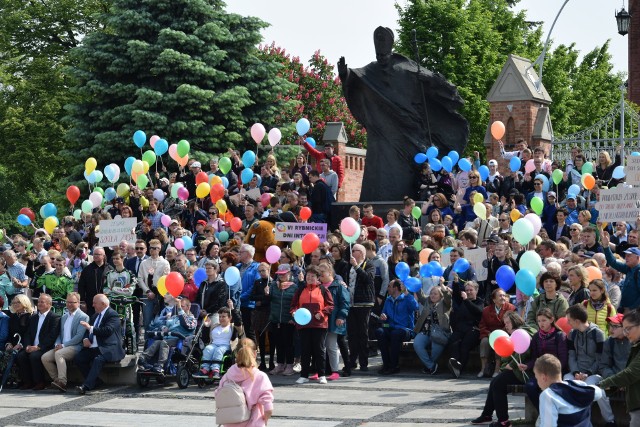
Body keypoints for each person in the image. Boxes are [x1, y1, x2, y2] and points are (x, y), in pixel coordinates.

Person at [338, 26, 468, 201]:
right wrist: (345, 75)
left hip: (409, 130)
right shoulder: (371, 70)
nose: (380, 51)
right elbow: (357, 79)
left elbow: (441, 85)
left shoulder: (405, 66)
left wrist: (429, 80)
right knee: (380, 168)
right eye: (378, 48)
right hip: (383, 130)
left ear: (390, 46)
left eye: (383, 47)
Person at [471, 312, 534, 427]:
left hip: (525, 372)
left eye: (509, 322)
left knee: (497, 384)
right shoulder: (512, 335)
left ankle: (503, 421)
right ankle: (487, 414)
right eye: (505, 323)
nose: (507, 325)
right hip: (517, 370)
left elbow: (525, 351)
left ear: (515, 321)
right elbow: (506, 355)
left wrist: (511, 365)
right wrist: (506, 364)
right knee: (495, 382)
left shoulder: (523, 332)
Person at [564, 304, 616, 426]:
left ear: (577, 321)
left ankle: (610, 420)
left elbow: (600, 359)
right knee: (565, 382)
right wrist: (576, 372)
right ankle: (574, 420)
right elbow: (572, 356)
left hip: (594, 373)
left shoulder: (597, 333)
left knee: (596, 390)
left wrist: (588, 373)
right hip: (576, 373)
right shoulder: (572, 334)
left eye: (569, 320)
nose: (568, 323)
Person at [534, 353, 608, 427]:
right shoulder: (578, 385)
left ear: (543, 377)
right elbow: (598, 393)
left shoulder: (548, 395)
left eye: (537, 378)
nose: (537, 382)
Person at [215, 338, 274, 427]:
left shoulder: (228, 375)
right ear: (254, 353)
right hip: (254, 423)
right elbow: (268, 409)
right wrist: (264, 420)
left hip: (230, 423)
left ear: (236, 354)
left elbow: (218, 394)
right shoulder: (260, 376)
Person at [74, 294, 126, 394]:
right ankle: (96, 381)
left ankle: (86, 386)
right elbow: (87, 330)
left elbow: (108, 330)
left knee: (98, 360)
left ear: (103, 304)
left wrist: (91, 328)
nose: (93, 305)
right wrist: (85, 338)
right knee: (79, 358)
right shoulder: (95, 315)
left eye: (95, 303)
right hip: (95, 347)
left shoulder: (112, 315)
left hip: (109, 348)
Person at [291, 266, 334, 384]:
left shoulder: (324, 290)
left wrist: (321, 313)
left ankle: (322, 374)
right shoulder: (300, 289)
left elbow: (330, 306)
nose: (309, 278)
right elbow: (293, 305)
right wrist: (294, 312)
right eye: (308, 276)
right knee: (305, 350)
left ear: (318, 278)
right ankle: (304, 375)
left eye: (313, 276)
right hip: (303, 325)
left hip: (319, 325)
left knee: (319, 350)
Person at [335, 243, 375, 373]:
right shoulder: (347, 266)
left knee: (362, 333)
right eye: (352, 250)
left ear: (362, 253)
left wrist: (357, 266)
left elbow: (368, 279)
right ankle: (352, 361)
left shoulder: (369, 264)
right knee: (352, 334)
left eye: (355, 250)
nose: (352, 252)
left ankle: (364, 362)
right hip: (350, 303)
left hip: (363, 303)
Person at [523, 308, 569, 414]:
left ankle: (559, 415)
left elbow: (563, 360)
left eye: (544, 320)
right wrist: (527, 366)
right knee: (530, 386)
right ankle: (543, 413)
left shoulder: (559, 335)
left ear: (551, 319)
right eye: (539, 321)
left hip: (556, 372)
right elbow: (535, 358)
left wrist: (551, 374)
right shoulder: (536, 337)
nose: (541, 323)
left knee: (553, 389)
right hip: (541, 372)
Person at [41, 292, 89, 392]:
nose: (69, 304)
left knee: (59, 354)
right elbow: (59, 334)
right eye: (67, 302)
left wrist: (63, 345)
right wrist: (57, 344)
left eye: (72, 302)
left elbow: (79, 337)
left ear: (78, 302)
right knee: (45, 357)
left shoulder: (83, 317)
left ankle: (62, 382)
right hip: (62, 346)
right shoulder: (64, 317)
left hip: (75, 346)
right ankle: (57, 380)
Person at [600, 309, 640, 425]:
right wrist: (614, 380)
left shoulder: (633, 343)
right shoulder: (610, 342)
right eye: (609, 326)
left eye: (628, 329)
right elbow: (604, 365)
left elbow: (631, 373)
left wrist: (603, 384)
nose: (626, 332)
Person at [138, 297, 197, 374]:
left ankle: (160, 365)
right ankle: (143, 358)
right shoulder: (175, 317)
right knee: (157, 342)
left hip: (180, 340)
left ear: (188, 307)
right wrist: (163, 327)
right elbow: (161, 324)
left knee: (164, 343)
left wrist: (179, 309)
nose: (180, 308)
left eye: (182, 306)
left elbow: (186, 324)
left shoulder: (192, 320)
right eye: (179, 306)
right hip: (168, 337)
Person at [15, 294, 61, 390]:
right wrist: (27, 345)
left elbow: (52, 336)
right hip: (32, 346)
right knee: (21, 355)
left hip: (45, 347)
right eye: (38, 301)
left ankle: (40, 382)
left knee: (34, 356)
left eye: (42, 302)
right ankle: (27, 382)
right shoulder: (33, 317)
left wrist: (38, 347)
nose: (39, 304)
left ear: (49, 304)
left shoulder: (54, 317)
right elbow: (27, 333)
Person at [268, 263, 301, 377]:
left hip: (288, 320)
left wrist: (293, 318)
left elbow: (297, 304)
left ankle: (290, 365)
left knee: (288, 344)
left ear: (289, 273)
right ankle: (280, 364)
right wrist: (267, 293)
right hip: (276, 319)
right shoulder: (273, 285)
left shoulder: (294, 287)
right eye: (279, 274)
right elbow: (268, 300)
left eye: (283, 274)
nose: (281, 276)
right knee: (279, 343)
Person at [319, 263, 350, 381]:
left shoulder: (339, 286)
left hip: (333, 320)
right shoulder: (319, 286)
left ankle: (335, 370)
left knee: (331, 346)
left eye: (323, 271)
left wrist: (341, 316)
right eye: (319, 271)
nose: (320, 273)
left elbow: (345, 303)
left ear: (330, 273)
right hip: (320, 320)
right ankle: (320, 370)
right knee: (320, 347)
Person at [413, 284, 451, 375]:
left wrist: (443, 287)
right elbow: (420, 295)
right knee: (417, 344)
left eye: (435, 294)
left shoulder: (445, 303)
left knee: (435, 348)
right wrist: (417, 282)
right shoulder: (427, 301)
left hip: (440, 333)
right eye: (431, 293)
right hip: (425, 331)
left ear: (440, 295)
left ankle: (429, 367)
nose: (432, 295)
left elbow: (448, 298)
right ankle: (432, 366)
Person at [448, 281, 484, 378]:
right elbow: (455, 294)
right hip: (460, 330)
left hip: (473, 330)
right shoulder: (462, 301)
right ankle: (455, 365)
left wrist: (466, 300)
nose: (468, 292)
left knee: (465, 345)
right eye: (466, 290)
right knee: (453, 341)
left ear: (476, 291)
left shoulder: (480, 302)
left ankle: (459, 368)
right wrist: (455, 283)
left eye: (471, 290)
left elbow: (478, 311)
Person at [478, 289, 515, 378]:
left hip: (504, 334)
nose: (503, 298)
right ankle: (483, 369)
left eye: (504, 295)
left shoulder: (511, 308)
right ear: (494, 300)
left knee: (500, 342)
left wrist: (501, 333)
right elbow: (482, 325)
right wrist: (489, 333)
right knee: (484, 342)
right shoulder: (486, 310)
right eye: (500, 296)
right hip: (490, 334)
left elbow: (511, 324)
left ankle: (497, 369)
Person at [602, 231, 640, 313]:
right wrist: (606, 246)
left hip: (634, 312)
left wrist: (632, 309)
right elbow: (612, 262)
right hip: (625, 310)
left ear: (637, 258)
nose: (626, 257)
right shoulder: (628, 268)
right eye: (625, 255)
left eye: (629, 255)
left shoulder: (638, 271)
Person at [137, 239, 171, 330]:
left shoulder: (165, 263)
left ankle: (157, 342)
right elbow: (140, 279)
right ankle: (147, 343)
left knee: (159, 321)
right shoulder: (144, 263)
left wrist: (157, 292)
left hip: (160, 296)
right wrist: (147, 291)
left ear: (159, 249)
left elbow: (165, 279)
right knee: (147, 321)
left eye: (154, 248)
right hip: (147, 296)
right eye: (150, 248)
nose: (151, 250)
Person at [77, 247, 107, 316]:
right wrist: (82, 301)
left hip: (105, 302)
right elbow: (81, 286)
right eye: (94, 254)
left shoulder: (109, 269)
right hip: (90, 303)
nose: (95, 256)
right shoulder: (87, 269)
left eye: (98, 254)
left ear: (103, 256)